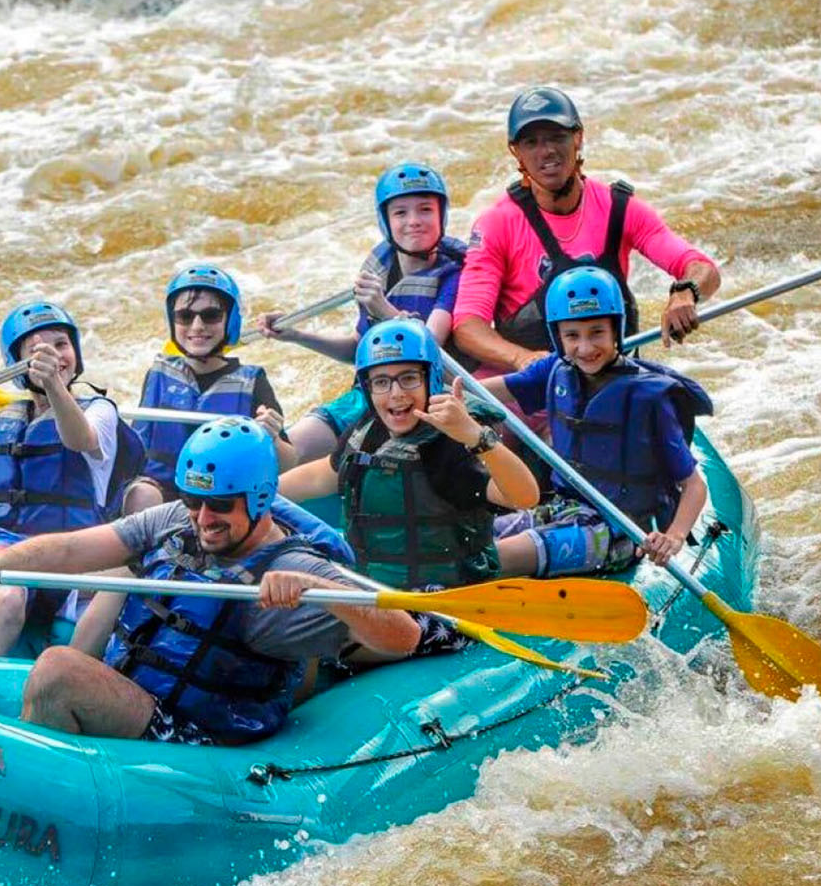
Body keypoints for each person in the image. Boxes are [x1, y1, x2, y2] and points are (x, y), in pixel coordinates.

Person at [0, 418, 422, 746]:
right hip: (143, 698)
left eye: (218, 505)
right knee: (98, 605)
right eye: (193, 499)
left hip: (204, 734)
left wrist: (318, 590)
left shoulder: (300, 567)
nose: (203, 517)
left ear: (260, 498)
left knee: (59, 670)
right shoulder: (178, 519)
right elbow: (76, 548)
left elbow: (404, 635)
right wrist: (0, 559)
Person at [452, 86, 722, 377]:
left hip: (612, 383)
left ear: (578, 137)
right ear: (516, 152)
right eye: (532, 142)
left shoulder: (620, 208)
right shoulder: (497, 223)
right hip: (536, 391)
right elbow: (468, 326)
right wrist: (522, 359)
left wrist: (686, 292)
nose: (547, 152)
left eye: (557, 137)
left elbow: (701, 268)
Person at [0, 301, 143, 657]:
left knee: (123, 582)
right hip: (2, 542)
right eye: (36, 349)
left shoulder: (99, 411)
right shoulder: (10, 418)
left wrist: (55, 387)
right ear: (18, 366)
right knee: (8, 599)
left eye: (61, 344)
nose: (54, 354)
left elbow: (80, 439)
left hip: (71, 550)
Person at [481, 268, 713, 578]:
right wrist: (434, 387)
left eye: (597, 333)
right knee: (470, 545)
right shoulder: (555, 369)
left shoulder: (649, 398)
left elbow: (693, 485)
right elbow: (481, 389)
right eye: (573, 336)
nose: (586, 348)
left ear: (616, 330)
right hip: (563, 509)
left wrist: (674, 537)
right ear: (558, 337)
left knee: (492, 559)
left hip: (619, 532)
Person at [279, 318, 539, 591]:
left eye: (409, 378)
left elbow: (524, 496)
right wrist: (263, 494)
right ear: (367, 388)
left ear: (432, 378)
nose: (396, 393)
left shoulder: (450, 444)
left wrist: (475, 436)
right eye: (381, 381)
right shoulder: (370, 430)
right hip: (376, 583)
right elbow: (322, 476)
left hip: (440, 597)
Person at [257, 162, 468, 461]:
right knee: (278, 452)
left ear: (441, 216)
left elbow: (431, 345)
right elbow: (359, 347)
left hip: (420, 396)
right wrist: (296, 335)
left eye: (425, 210)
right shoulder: (378, 266)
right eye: (400, 213)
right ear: (386, 222)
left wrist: (383, 309)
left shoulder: (455, 274)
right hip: (367, 394)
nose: (414, 221)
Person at [123, 264, 295, 514]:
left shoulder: (252, 382)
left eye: (211, 315)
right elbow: (132, 451)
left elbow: (289, 462)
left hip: (222, 499)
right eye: (185, 316)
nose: (197, 326)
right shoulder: (158, 373)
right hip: (161, 496)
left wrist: (273, 437)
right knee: (141, 494)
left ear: (230, 320)